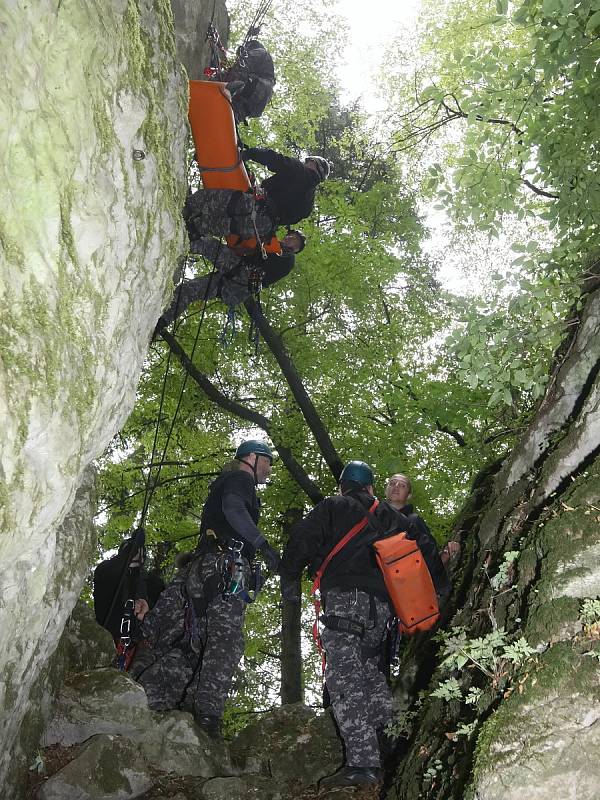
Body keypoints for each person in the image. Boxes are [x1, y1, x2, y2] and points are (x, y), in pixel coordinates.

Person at [279, 460, 449, 789]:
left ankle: (362, 763)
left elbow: (301, 540)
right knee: (373, 678)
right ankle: (391, 753)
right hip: (383, 612)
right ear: (371, 488)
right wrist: (440, 592)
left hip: (345, 600)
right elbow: (425, 552)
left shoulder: (333, 505)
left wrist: (289, 583)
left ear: (344, 485)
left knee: (344, 677)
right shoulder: (393, 516)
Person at [130, 440, 280, 738]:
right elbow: (234, 508)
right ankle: (206, 717)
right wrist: (263, 545)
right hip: (226, 566)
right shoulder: (240, 478)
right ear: (251, 457)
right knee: (225, 639)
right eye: (267, 461)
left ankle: (141, 697)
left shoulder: (221, 482)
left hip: (197, 571)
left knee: (180, 640)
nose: (269, 468)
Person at [155, 230, 305, 329]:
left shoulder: (287, 258)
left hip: (241, 279)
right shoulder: (271, 245)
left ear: (296, 249)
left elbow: (267, 263)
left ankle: (175, 241)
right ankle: (161, 321)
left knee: (210, 245)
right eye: (290, 235)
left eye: (294, 240)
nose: (289, 237)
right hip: (233, 284)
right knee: (188, 290)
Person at [183, 151, 330, 244]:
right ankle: (192, 228)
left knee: (215, 200)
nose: (306, 163)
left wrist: (250, 153)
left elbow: (276, 159)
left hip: (256, 207)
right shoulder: (308, 206)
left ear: (314, 165)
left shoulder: (301, 172)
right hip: (261, 228)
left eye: (308, 162)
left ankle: (186, 205)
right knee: (224, 225)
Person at [383, 473, 460, 569]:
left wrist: (446, 554)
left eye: (402, 485)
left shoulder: (414, 522)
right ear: (386, 490)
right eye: (392, 483)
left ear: (408, 495)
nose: (396, 486)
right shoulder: (371, 519)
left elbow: (431, 559)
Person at [221, 39, 276, 123]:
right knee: (238, 109)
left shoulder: (260, 52)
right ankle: (236, 116)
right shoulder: (266, 70)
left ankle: (234, 109)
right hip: (255, 104)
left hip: (256, 88)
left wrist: (227, 82)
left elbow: (243, 65)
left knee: (237, 80)